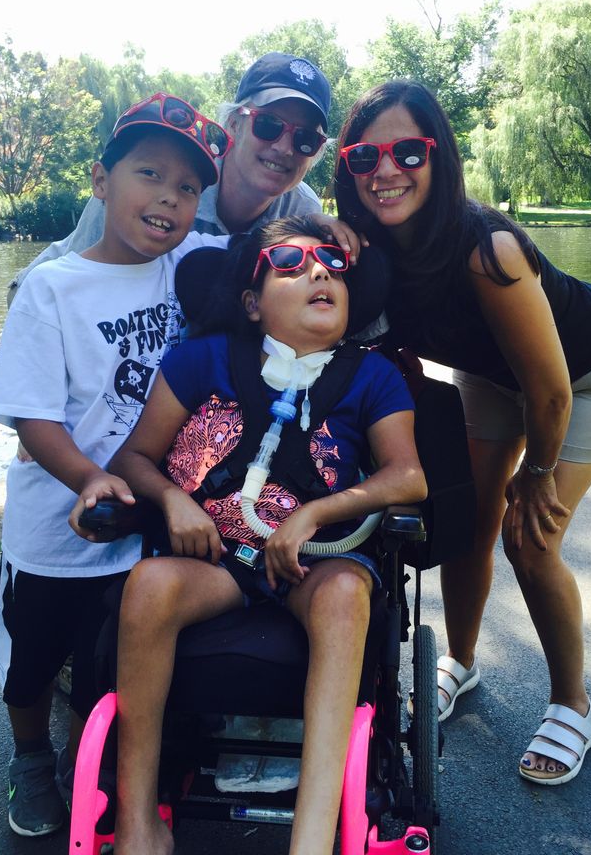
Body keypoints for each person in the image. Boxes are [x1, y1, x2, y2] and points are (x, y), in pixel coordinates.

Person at [334, 80, 591, 786]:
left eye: (407, 152)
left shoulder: (488, 250)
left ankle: (575, 705)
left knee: (528, 539)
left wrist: (534, 477)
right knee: (467, 521)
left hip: (590, 375)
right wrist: (337, 241)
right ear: (348, 169)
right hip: (499, 374)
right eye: (365, 157)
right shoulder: (374, 248)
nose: (386, 171)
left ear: (439, 156)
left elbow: (552, 391)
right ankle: (462, 663)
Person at [98, 213, 427, 855]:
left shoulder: (372, 375)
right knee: (149, 582)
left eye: (332, 265)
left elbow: (408, 476)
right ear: (251, 302)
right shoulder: (200, 360)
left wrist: (314, 515)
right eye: (291, 264)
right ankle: (140, 825)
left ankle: (311, 839)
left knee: (345, 595)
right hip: (217, 560)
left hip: (314, 565)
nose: (318, 272)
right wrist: (172, 501)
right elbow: (132, 458)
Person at [0, 92, 232, 837]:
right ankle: (31, 756)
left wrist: (326, 236)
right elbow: (31, 411)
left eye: (188, 188)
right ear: (100, 179)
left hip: (144, 523)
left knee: (118, 661)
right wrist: (87, 475)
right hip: (61, 528)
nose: (169, 198)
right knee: (33, 664)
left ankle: (96, 760)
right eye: (149, 173)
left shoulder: (191, 263)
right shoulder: (52, 287)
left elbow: (268, 258)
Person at [7, 52, 354, 302]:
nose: (284, 147)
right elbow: (34, 292)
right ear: (232, 124)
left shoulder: (303, 212)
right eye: (269, 125)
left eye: (306, 139)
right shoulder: (144, 191)